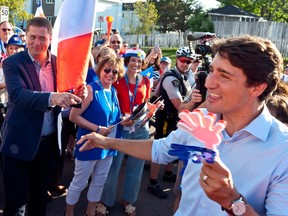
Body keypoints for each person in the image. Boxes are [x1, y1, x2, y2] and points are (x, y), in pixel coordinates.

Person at [77, 35, 288, 216]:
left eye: (223, 76)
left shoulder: (282, 151)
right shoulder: (200, 119)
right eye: (211, 70)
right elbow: (160, 150)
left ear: (257, 87)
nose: (208, 83)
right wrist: (106, 142)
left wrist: (233, 201)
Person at [0, 17, 86, 216]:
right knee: (16, 202)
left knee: (40, 199)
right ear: (26, 37)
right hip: (19, 143)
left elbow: (71, 92)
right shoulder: (13, 63)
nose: (36, 43)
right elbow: (18, 96)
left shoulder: (59, 63)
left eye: (42, 38)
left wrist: (80, 95)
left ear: (50, 38)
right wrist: (53, 97)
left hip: (48, 145)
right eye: (32, 37)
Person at [65, 57, 125, 216]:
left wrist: (124, 120)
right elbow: (73, 116)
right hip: (89, 144)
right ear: (100, 70)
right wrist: (97, 128)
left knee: (99, 182)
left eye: (115, 71)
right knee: (79, 182)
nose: (110, 74)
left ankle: (90, 212)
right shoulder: (91, 90)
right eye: (107, 69)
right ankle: (69, 212)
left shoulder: (113, 91)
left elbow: (113, 117)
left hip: (107, 145)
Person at [100, 48, 150, 216]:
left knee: (136, 167)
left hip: (141, 128)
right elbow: (111, 102)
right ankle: (105, 201)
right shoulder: (117, 79)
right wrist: (122, 116)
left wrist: (153, 109)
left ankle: (129, 200)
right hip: (121, 127)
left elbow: (145, 103)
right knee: (113, 166)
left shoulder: (146, 81)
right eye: (133, 60)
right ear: (126, 61)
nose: (136, 64)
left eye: (139, 61)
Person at [148, 47, 199, 199]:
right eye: (183, 60)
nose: (186, 64)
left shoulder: (185, 74)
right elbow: (180, 105)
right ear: (177, 60)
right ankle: (152, 181)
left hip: (175, 118)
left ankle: (168, 173)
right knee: (159, 147)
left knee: (174, 144)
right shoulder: (172, 78)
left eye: (189, 61)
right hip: (166, 116)